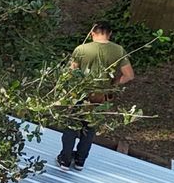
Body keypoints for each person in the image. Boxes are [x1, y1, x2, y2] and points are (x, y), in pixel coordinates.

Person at [57, 23, 136, 170]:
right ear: (109, 34)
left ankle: (65, 160)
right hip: (101, 97)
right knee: (90, 129)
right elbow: (129, 75)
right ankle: (80, 161)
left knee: (71, 127)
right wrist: (113, 84)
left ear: (93, 33)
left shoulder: (81, 49)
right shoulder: (118, 50)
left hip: (79, 94)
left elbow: (70, 73)